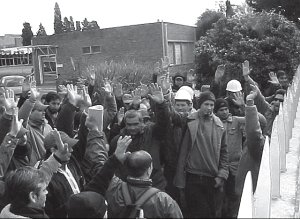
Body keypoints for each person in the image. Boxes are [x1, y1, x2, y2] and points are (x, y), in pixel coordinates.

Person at [174, 91, 229, 218]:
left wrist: (221, 175)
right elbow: (171, 116)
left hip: (211, 177)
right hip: (192, 176)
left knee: (211, 212)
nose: (209, 108)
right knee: (197, 212)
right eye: (206, 104)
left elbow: (224, 153)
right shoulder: (188, 120)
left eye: (211, 105)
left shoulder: (220, 125)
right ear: (200, 104)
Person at [109, 83, 169, 190]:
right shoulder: (119, 140)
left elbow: (164, 123)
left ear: (142, 122)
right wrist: (133, 106)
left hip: (154, 183)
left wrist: (161, 104)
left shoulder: (152, 132)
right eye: (129, 125)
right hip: (128, 185)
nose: (132, 128)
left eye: (136, 124)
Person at [106, 150, 183, 218]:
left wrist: (115, 158)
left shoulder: (113, 188)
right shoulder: (164, 201)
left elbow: (100, 170)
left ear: (127, 168)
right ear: (149, 170)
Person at [214, 98, 245, 218]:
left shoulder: (236, 121)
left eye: (226, 109)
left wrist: (243, 106)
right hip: (219, 167)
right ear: (216, 112)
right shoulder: (214, 122)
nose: (224, 112)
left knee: (235, 196)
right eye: (221, 110)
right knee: (219, 198)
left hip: (235, 166)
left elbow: (257, 120)